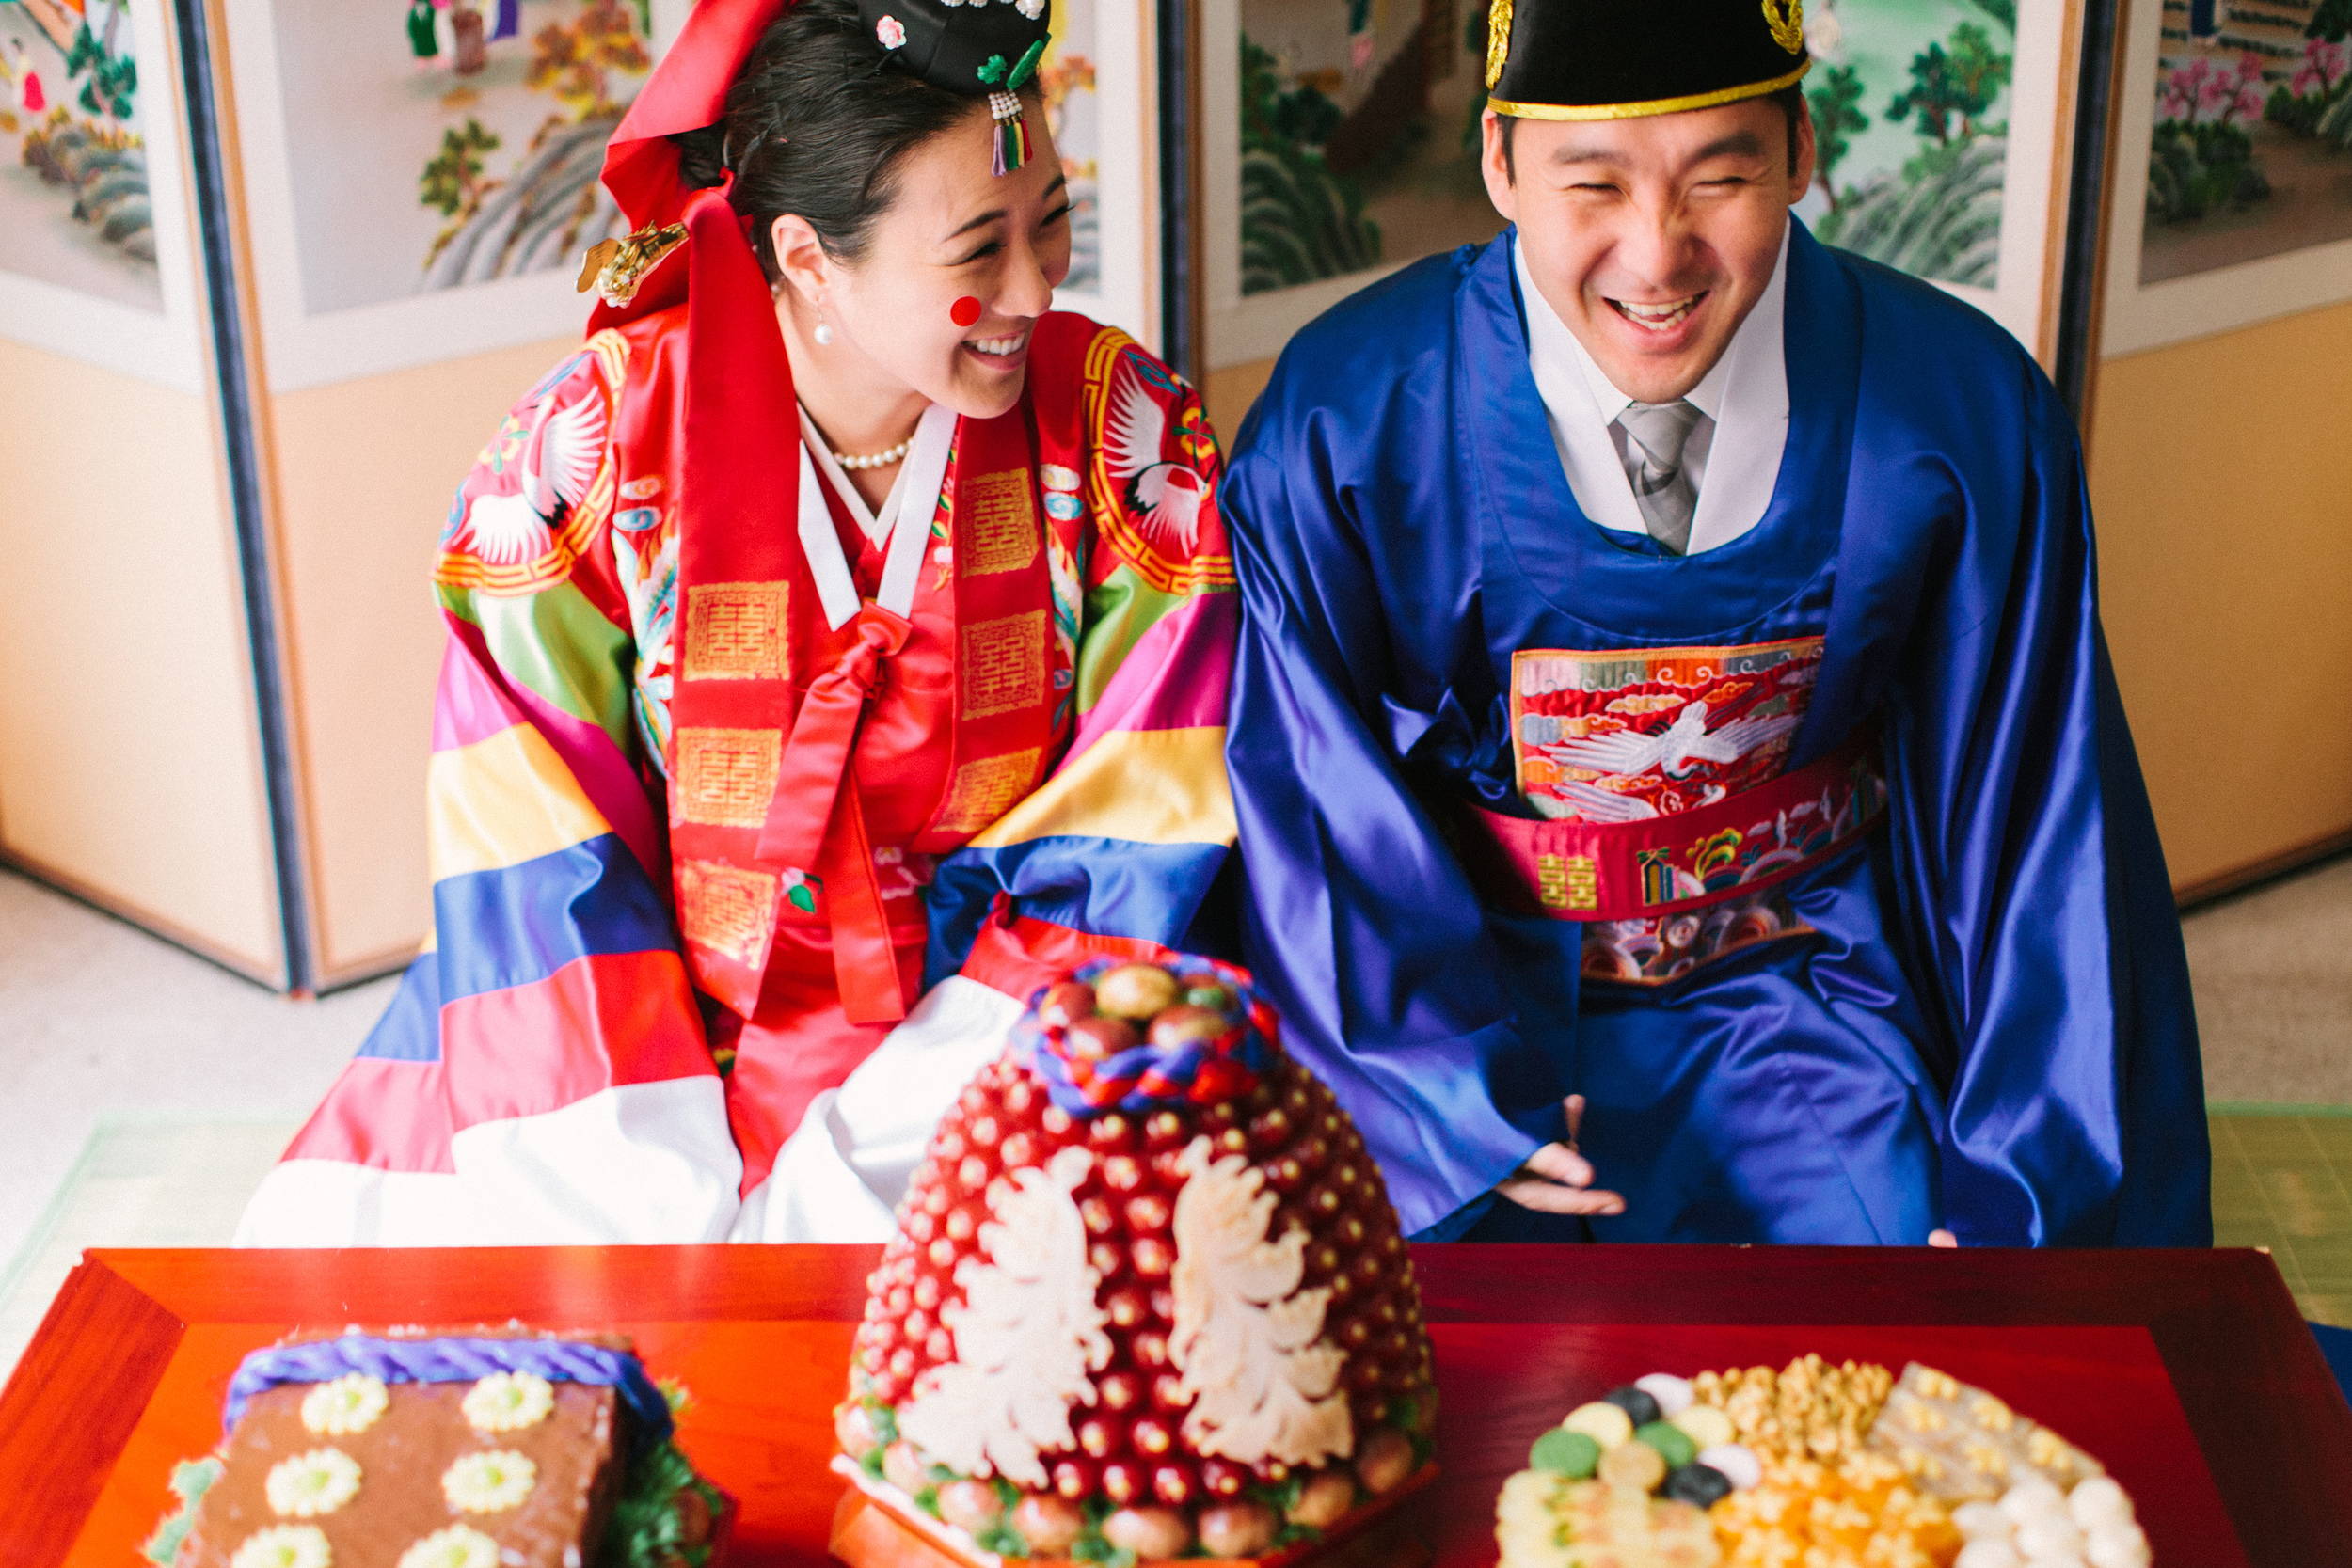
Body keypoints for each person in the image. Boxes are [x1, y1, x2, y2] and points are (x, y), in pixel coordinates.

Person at [241, 0, 1237, 1244]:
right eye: (978, 250)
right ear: (811, 257)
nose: (1036, 288)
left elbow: (1133, 831)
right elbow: (544, 854)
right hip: (641, 1017)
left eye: (1054, 223)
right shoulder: (587, 455)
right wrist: (653, 1171)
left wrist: (908, 1123)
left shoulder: (1118, 429)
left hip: (1006, 1019)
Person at [1220, 0, 2208, 1245]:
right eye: (1594, 185)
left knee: (1920, 1349)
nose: (1656, 255)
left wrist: (2024, 1171)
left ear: (1800, 151)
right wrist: (1433, 1098)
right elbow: (1309, 798)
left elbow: (2038, 815)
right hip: (1462, 999)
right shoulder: (1347, 418)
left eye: (1721, 177)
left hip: (1816, 983)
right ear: (1498, 162)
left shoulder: (1956, 417)